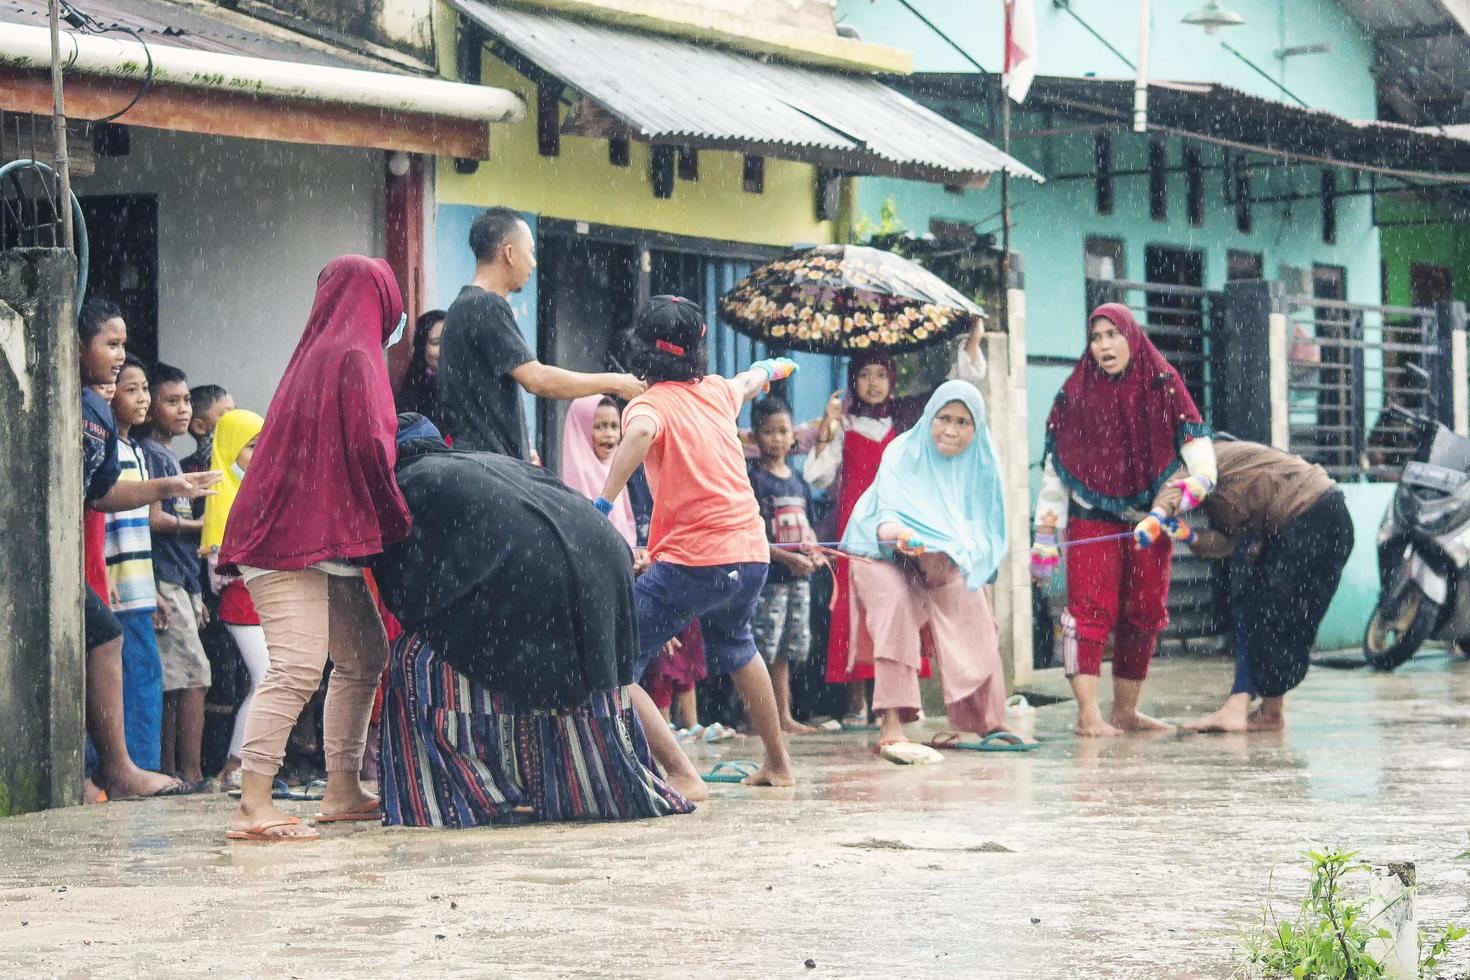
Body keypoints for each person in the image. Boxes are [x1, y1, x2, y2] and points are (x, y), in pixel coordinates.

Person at [372, 414, 695, 827]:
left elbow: (411, 597)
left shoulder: (406, 486)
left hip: (546, 570)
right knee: (601, 674)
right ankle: (595, 784)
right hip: (603, 555)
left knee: (414, 657)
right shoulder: (481, 461)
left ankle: (456, 797)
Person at [219, 255, 412, 843]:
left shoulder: (315, 354)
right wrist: (399, 518)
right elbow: (375, 451)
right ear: (380, 299)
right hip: (288, 540)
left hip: (313, 535)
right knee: (298, 667)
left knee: (362, 656)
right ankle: (253, 804)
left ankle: (342, 788)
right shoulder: (357, 356)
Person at [599, 295, 800, 792]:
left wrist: (603, 504)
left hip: (692, 564)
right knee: (738, 644)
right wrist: (773, 367)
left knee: (616, 662)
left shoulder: (647, 405)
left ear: (641, 353)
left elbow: (642, 432)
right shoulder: (716, 390)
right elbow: (752, 380)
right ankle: (779, 765)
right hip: (750, 556)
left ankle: (682, 775)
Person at [1030, 303, 1218, 737]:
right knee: (1088, 611)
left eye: (1112, 335)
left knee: (1144, 611)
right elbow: (1058, 469)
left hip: (1151, 519)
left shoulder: (1164, 384)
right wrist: (1045, 535)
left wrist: (1194, 486)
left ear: (1131, 337)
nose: (1103, 346)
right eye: (1096, 338)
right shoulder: (1076, 394)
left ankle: (1126, 711)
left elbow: (1199, 454)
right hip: (1091, 516)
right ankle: (1088, 714)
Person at [805, 322, 988, 726]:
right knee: (856, 617)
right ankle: (857, 705)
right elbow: (817, 476)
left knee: (903, 610)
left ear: (893, 379)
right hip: (860, 532)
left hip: (905, 529)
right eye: (865, 375)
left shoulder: (908, 420)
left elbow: (955, 398)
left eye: (881, 374)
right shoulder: (843, 424)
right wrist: (827, 425)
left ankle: (901, 705)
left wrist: (972, 345)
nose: (873, 384)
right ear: (854, 380)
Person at [78, 300, 220, 800]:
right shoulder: (82, 409)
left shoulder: (100, 417)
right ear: (76, 345)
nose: (118, 356)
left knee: (123, 658)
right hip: (98, 573)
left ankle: (119, 769)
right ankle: (113, 769)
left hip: (125, 582)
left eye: (122, 345)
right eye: (110, 345)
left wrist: (169, 486)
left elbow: (98, 494)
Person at [841, 380, 1016, 756]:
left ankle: (989, 721)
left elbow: (986, 527)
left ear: (977, 429)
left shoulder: (980, 465)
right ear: (929, 417)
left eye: (963, 423)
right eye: (944, 418)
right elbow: (885, 519)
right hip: (880, 550)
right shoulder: (903, 453)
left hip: (938, 557)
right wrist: (902, 535)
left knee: (977, 610)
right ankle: (891, 724)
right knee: (896, 608)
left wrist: (972, 554)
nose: (952, 431)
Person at [1140, 440, 1352, 735]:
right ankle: (1268, 712)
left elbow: (1173, 488)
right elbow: (1226, 543)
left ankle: (1245, 708)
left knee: (1266, 614)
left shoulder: (1205, 461)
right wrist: (1189, 535)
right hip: (1320, 522)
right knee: (1269, 614)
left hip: (1310, 518)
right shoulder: (1221, 485)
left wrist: (1156, 515)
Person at [560, 395, 715, 740]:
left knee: (651, 651)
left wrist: (638, 559)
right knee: (623, 662)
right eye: (599, 426)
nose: (609, 435)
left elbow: (625, 533)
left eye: (614, 426)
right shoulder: (574, 485)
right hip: (598, 594)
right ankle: (626, 732)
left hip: (627, 581)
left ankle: (653, 729)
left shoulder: (618, 478)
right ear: (581, 430)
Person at [437, 207, 644, 460]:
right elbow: (537, 379)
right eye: (531, 252)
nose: (534, 263)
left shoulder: (461, 306)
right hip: (488, 468)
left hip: (476, 462)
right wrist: (617, 382)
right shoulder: (486, 305)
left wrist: (522, 450)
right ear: (509, 253)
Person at [141, 362, 213, 791]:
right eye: (172, 401)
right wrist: (204, 527)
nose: (183, 409)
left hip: (181, 580)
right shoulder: (152, 455)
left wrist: (195, 589)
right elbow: (155, 521)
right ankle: (189, 772)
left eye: (186, 400)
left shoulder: (168, 455)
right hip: (162, 578)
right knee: (193, 677)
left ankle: (172, 771)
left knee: (178, 679)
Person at [104, 355, 169, 774]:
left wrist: (155, 587)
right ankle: (135, 767)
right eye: (132, 389)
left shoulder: (136, 450)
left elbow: (142, 527)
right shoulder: (106, 446)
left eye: (145, 388)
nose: (142, 398)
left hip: (139, 586)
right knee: (135, 680)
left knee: (140, 679)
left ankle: (138, 765)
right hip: (114, 583)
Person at [198, 408, 267, 789]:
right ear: (230, 450)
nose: (259, 456)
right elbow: (223, 566)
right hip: (243, 601)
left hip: (262, 600)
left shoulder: (248, 493)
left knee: (268, 681)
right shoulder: (224, 497)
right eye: (251, 447)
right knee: (268, 679)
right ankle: (235, 766)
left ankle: (245, 767)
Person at [748, 397, 819, 735]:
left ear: (794, 436)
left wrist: (815, 551)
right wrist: (789, 558)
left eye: (782, 431)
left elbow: (808, 527)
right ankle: (755, 717)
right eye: (768, 431)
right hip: (769, 579)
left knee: (786, 651)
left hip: (798, 581)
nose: (776, 438)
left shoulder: (799, 481)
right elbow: (753, 536)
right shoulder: (754, 481)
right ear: (754, 437)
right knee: (762, 648)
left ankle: (783, 716)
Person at [395, 309, 447, 424]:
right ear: (421, 347)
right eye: (436, 343)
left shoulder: (469, 387)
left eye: (449, 341)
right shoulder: (410, 399)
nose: (445, 349)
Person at [182, 384, 235, 476]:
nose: (237, 419)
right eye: (227, 415)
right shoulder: (186, 472)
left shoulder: (246, 460)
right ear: (199, 426)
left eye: (236, 412)